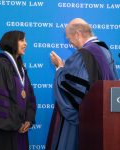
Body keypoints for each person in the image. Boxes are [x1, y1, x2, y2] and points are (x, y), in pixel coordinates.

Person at [46, 18, 118, 150]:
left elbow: (73, 90)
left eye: (69, 38)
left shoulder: (83, 55)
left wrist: (60, 68)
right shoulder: (105, 50)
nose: (70, 43)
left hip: (82, 123)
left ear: (78, 34)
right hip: (104, 120)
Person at [0, 30, 36, 150]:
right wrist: (16, 124)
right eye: (22, 40)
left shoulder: (21, 69)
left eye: (25, 40)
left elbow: (29, 98)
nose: (26, 44)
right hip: (2, 134)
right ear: (11, 42)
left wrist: (28, 120)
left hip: (20, 130)